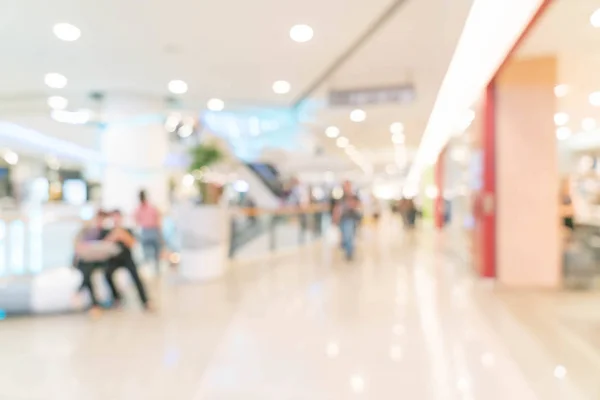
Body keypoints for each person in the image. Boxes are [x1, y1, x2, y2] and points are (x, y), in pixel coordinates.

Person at [103, 210, 153, 311]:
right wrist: (113, 236)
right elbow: (104, 244)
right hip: (114, 260)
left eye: (118, 217)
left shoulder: (128, 230)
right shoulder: (109, 231)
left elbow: (133, 243)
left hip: (127, 259)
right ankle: (117, 298)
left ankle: (145, 301)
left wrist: (123, 236)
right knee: (107, 274)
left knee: (136, 276)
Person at [134, 190, 162, 272]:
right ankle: (151, 269)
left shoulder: (150, 208)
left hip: (151, 230)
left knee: (155, 251)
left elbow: (157, 218)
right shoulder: (141, 209)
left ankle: (155, 269)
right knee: (148, 252)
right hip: (147, 230)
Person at [333, 181, 361, 261]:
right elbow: (337, 208)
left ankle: (349, 253)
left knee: (349, 235)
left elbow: (357, 206)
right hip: (342, 219)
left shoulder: (354, 196)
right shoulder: (341, 197)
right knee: (345, 236)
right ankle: (346, 247)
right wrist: (335, 219)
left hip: (351, 218)